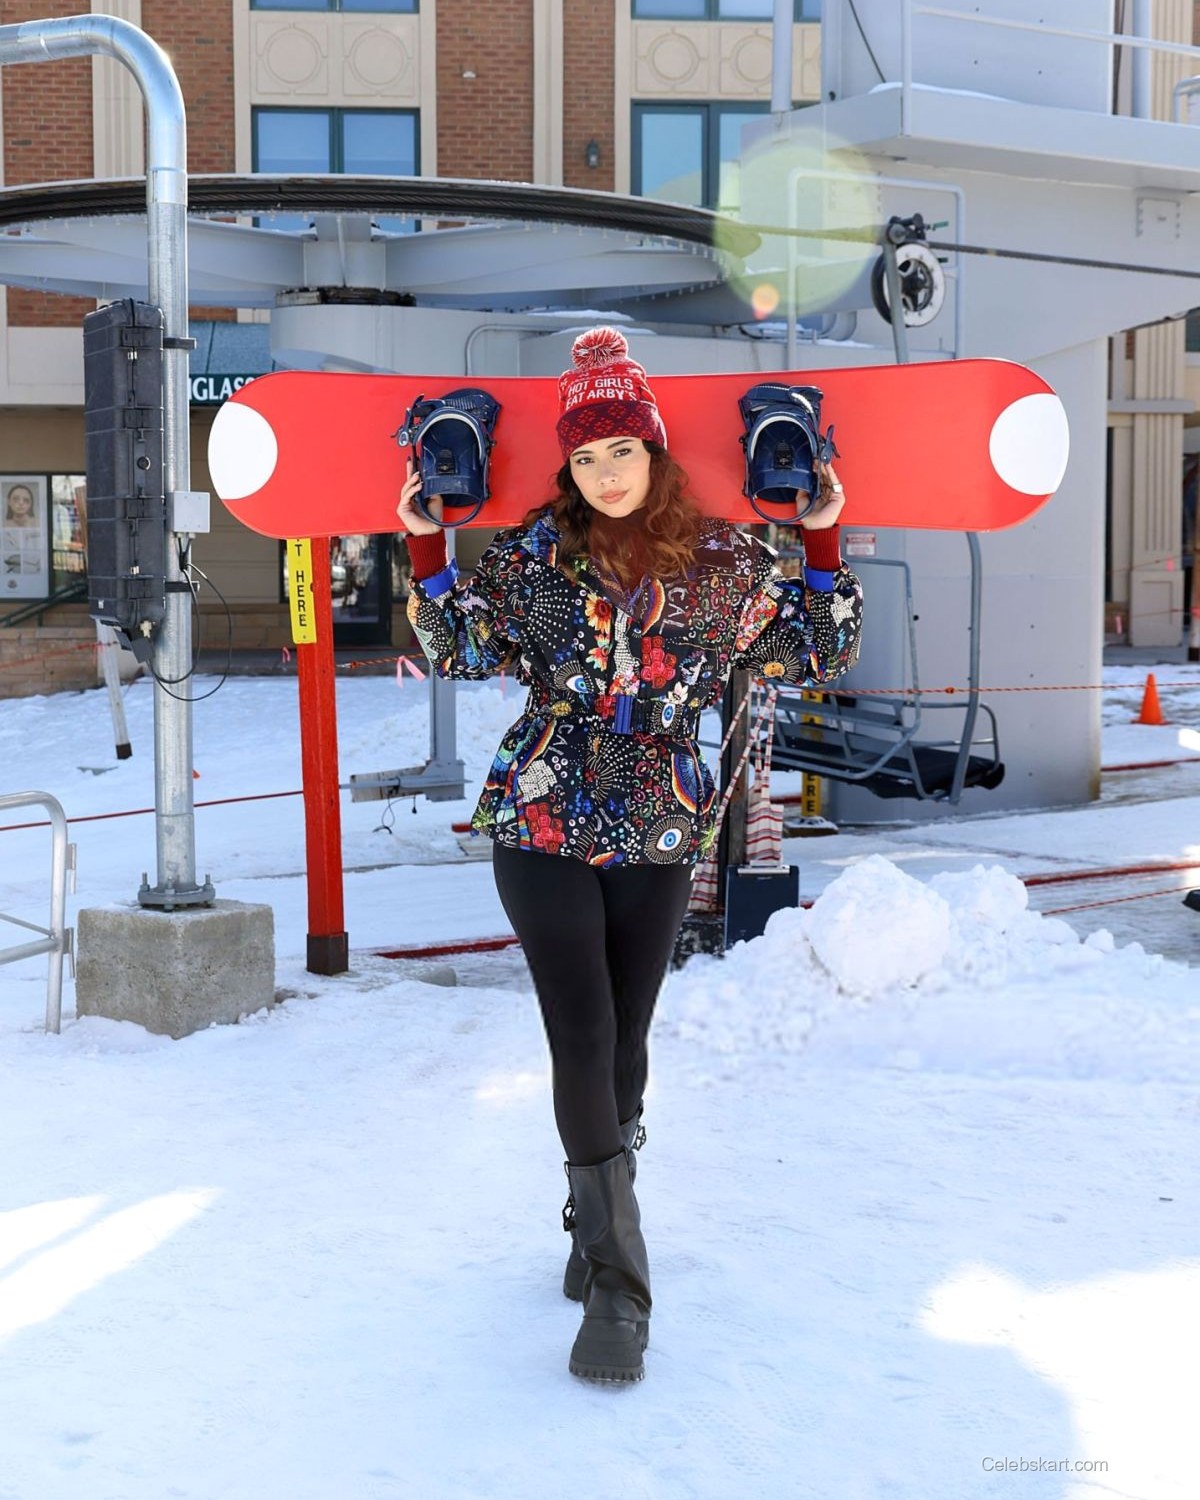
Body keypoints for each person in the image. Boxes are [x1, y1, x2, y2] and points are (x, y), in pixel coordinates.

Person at [396, 327, 863, 1384]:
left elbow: (819, 647)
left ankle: (591, 1216)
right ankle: (619, 1283)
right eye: (587, 457)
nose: (605, 474)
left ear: (654, 453)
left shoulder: (725, 564)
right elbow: (464, 650)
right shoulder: (530, 559)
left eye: (622, 452)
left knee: (630, 1047)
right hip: (543, 813)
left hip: (660, 820)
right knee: (582, 1032)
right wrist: (424, 547)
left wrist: (824, 543)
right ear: (568, 467)